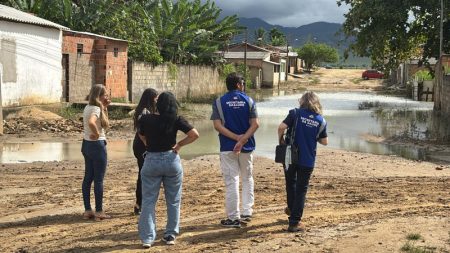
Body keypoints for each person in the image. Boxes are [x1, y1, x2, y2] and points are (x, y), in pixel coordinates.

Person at [137, 91, 199, 248]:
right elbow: (194, 134)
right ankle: (170, 234)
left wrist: (147, 144)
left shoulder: (145, 118)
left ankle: (147, 238)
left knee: (149, 201)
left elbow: (141, 135)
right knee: (173, 201)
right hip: (171, 160)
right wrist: (179, 145)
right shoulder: (176, 119)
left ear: (158, 104)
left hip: (151, 160)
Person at [211, 72, 259, 228]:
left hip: (227, 146)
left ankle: (233, 218)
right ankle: (247, 211)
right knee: (247, 177)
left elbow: (217, 126)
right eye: (242, 84)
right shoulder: (249, 100)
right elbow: (255, 124)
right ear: (239, 85)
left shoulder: (219, 102)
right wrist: (243, 139)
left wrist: (235, 138)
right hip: (247, 146)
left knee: (232, 181)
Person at [277, 91, 328, 232]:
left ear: (302, 101)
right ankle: (294, 222)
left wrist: (281, 140)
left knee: (290, 184)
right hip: (307, 159)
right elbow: (324, 141)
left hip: (290, 157)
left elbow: (281, 127)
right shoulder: (321, 120)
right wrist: (311, 135)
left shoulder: (295, 113)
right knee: (301, 189)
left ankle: (292, 212)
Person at [81, 84, 111, 221]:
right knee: (98, 180)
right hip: (97, 146)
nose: (107, 97)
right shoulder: (95, 109)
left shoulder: (89, 107)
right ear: (98, 96)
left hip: (86, 144)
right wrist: (97, 134)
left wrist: (105, 107)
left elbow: (102, 122)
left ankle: (88, 210)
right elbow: (92, 122)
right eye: (105, 95)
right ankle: (99, 211)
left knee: (88, 178)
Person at [132, 88, 158, 215]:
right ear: (150, 98)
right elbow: (143, 133)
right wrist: (149, 145)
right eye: (155, 98)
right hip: (142, 145)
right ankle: (139, 203)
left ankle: (140, 203)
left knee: (143, 173)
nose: (157, 100)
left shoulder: (142, 110)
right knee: (144, 174)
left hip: (140, 144)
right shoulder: (145, 112)